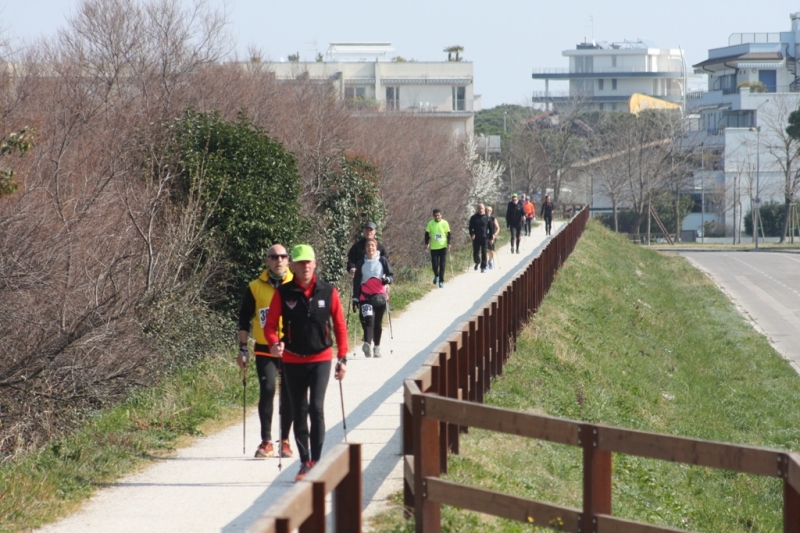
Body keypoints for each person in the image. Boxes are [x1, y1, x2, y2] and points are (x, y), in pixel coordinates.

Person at [264, 244, 349, 482]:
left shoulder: (328, 291)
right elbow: (270, 325)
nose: (305, 266)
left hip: (321, 358)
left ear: (315, 264)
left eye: (308, 262)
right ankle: (305, 462)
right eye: (300, 262)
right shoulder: (284, 292)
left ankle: (317, 462)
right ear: (292, 265)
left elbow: (340, 326)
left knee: (316, 408)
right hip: (292, 359)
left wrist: (342, 358)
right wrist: (274, 343)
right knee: (299, 411)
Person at [237, 245, 294, 459]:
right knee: (268, 389)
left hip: (290, 348)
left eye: (283, 256)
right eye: (274, 257)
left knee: (288, 393)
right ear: (267, 261)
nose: (279, 260)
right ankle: (267, 441)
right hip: (264, 348)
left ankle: (285, 441)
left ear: (288, 260)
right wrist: (243, 349)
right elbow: (244, 319)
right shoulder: (254, 287)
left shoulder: (296, 284)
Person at [352, 238, 394, 358]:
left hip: (380, 297)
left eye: (372, 245)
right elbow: (357, 281)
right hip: (365, 297)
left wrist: (387, 280)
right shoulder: (361, 263)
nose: (370, 247)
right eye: (368, 246)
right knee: (369, 319)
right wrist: (355, 298)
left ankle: (377, 347)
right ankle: (367, 344)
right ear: (365, 249)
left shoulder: (382, 260)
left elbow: (391, 275)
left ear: (376, 247)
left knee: (377, 323)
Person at [424, 208, 451, 288]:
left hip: (443, 246)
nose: (437, 217)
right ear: (433, 216)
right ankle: (436, 275)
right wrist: (426, 243)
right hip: (434, 247)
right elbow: (427, 234)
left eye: (438, 215)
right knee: (434, 264)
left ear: (441, 215)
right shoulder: (430, 223)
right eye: (435, 216)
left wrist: (449, 243)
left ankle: (441, 281)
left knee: (442, 265)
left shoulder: (445, 223)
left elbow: (449, 234)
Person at [468, 203, 491, 273]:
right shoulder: (473, 217)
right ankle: (477, 261)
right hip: (476, 238)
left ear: (484, 209)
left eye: (482, 208)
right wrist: (472, 234)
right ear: (477, 209)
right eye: (479, 209)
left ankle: (483, 267)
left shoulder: (487, 218)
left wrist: (491, 238)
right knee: (476, 252)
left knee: (484, 252)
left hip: (485, 238)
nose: (480, 210)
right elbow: (470, 227)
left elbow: (491, 228)